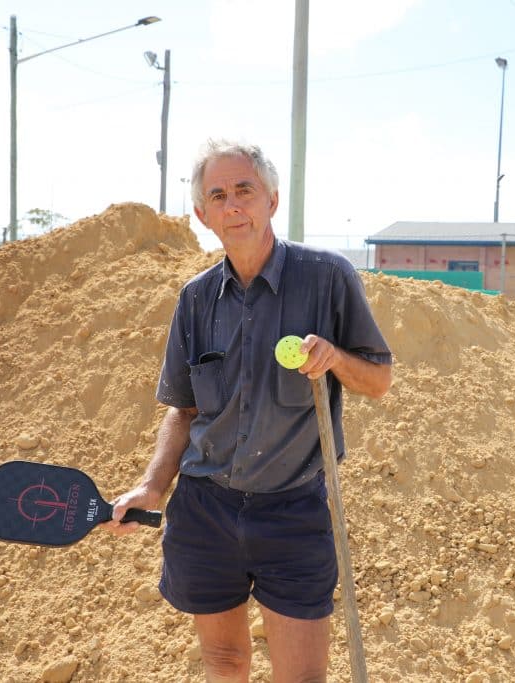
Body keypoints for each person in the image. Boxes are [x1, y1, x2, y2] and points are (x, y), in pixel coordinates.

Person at [102, 139, 392, 683]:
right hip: (205, 511)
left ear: (272, 201)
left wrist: (335, 360)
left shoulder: (327, 277)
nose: (233, 205)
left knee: (302, 677)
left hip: (293, 511)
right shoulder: (195, 298)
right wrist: (151, 488)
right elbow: (184, 410)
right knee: (225, 662)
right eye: (218, 195)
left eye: (245, 190)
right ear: (201, 214)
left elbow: (379, 380)